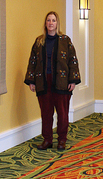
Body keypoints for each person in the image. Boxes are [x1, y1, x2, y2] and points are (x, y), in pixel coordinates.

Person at [24, 11, 81, 150]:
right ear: (45, 23)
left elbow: (72, 61)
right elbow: (33, 61)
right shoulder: (39, 41)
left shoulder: (65, 40)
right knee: (46, 113)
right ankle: (47, 140)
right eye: (48, 20)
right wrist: (31, 80)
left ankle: (62, 140)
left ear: (57, 23)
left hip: (61, 82)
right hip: (43, 82)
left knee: (62, 113)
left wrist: (72, 80)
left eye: (53, 20)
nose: (51, 23)